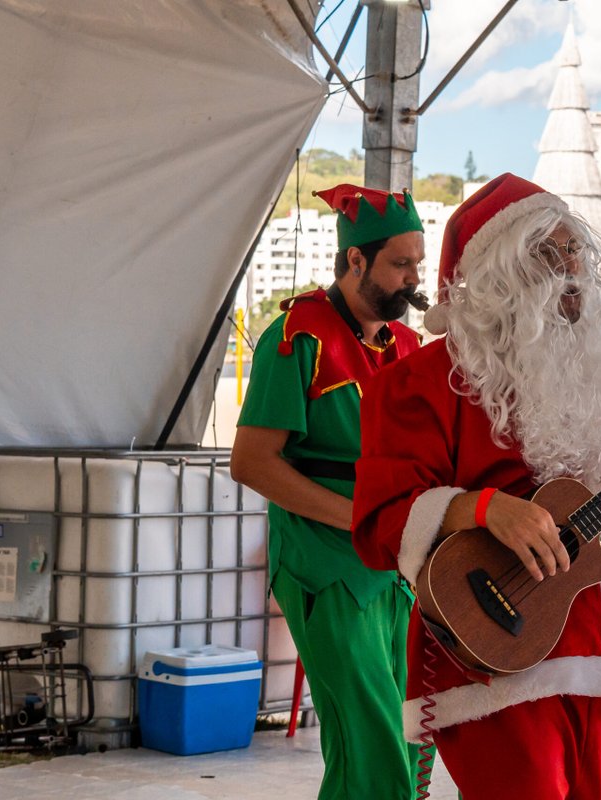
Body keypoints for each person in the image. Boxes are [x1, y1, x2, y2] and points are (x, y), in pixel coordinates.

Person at [351, 173, 601, 799]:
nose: (570, 268)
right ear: (498, 278)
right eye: (546, 255)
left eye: (572, 248)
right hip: (492, 654)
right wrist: (481, 509)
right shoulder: (420, 381)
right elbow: (381, 521)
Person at [229, 184, 426, 800]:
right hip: (323, 560)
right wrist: (359, 518)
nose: (414, 278)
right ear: (356, 261)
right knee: (374, 742)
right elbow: (252, 463)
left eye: (418, 263)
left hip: (397, 563)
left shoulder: (408, 348)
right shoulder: (295, 338)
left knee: (411, 732)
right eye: (401, 263)